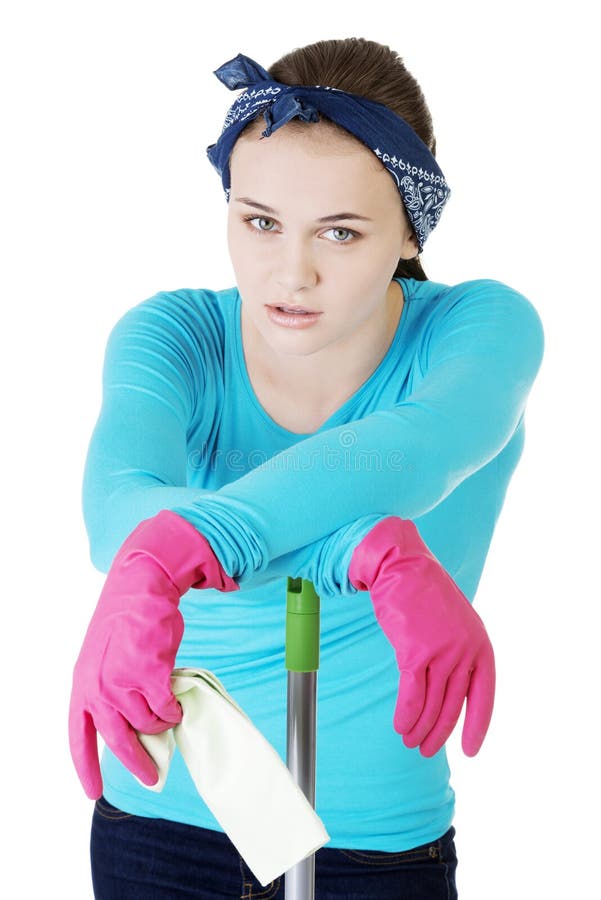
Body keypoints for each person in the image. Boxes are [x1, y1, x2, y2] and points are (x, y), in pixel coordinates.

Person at [69, 37, 545, 899]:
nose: (290, 273)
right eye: (259, 222)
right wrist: (362, 552)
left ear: (409, 228)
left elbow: (411, 451)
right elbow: (118, 510)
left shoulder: (478, 332)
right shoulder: (177, 336)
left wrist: (169, 551)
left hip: (369, 844)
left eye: (340, 231)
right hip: (160, 820)